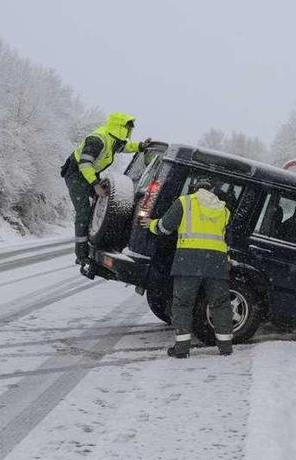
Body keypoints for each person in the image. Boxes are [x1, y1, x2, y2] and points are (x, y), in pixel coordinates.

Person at [142, 176, 233, 358]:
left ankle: (182, 349)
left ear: (194, 188)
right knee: (221, 304)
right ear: (212, 190)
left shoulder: (185, 202)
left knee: (183, 304)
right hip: (216, 263)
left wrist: (150, 224)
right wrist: (227, 259)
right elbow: (227, 240)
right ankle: (225, 347)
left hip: (188, 262)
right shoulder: (224, 210)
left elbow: (165, 227)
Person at [61, 112, 151, 264]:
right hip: (75, 174)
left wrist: (140, 146)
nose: (130, 132)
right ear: (119, 127)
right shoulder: (97, 140)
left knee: (101, 199)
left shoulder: (112, 140)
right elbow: (84, 164)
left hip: (89, 174)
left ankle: (94, 236)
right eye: (128, 129)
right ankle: (82, 255)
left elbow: (125, 147)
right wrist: (95, 184)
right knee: (83, 211)